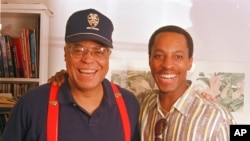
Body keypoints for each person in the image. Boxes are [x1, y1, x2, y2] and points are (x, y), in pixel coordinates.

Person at [1, 9, 140, 141]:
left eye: (99, 50)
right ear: (65, 53)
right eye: (78, 50)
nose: (88, 59)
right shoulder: (31, 105)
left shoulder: (129, 104)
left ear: (108, 56)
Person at [137, 25, 236, 141]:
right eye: (159, 56)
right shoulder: (140, 104)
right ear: (149, 60)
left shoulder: (217, 117)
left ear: (189, 62)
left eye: (178, 57)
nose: (167, 65)